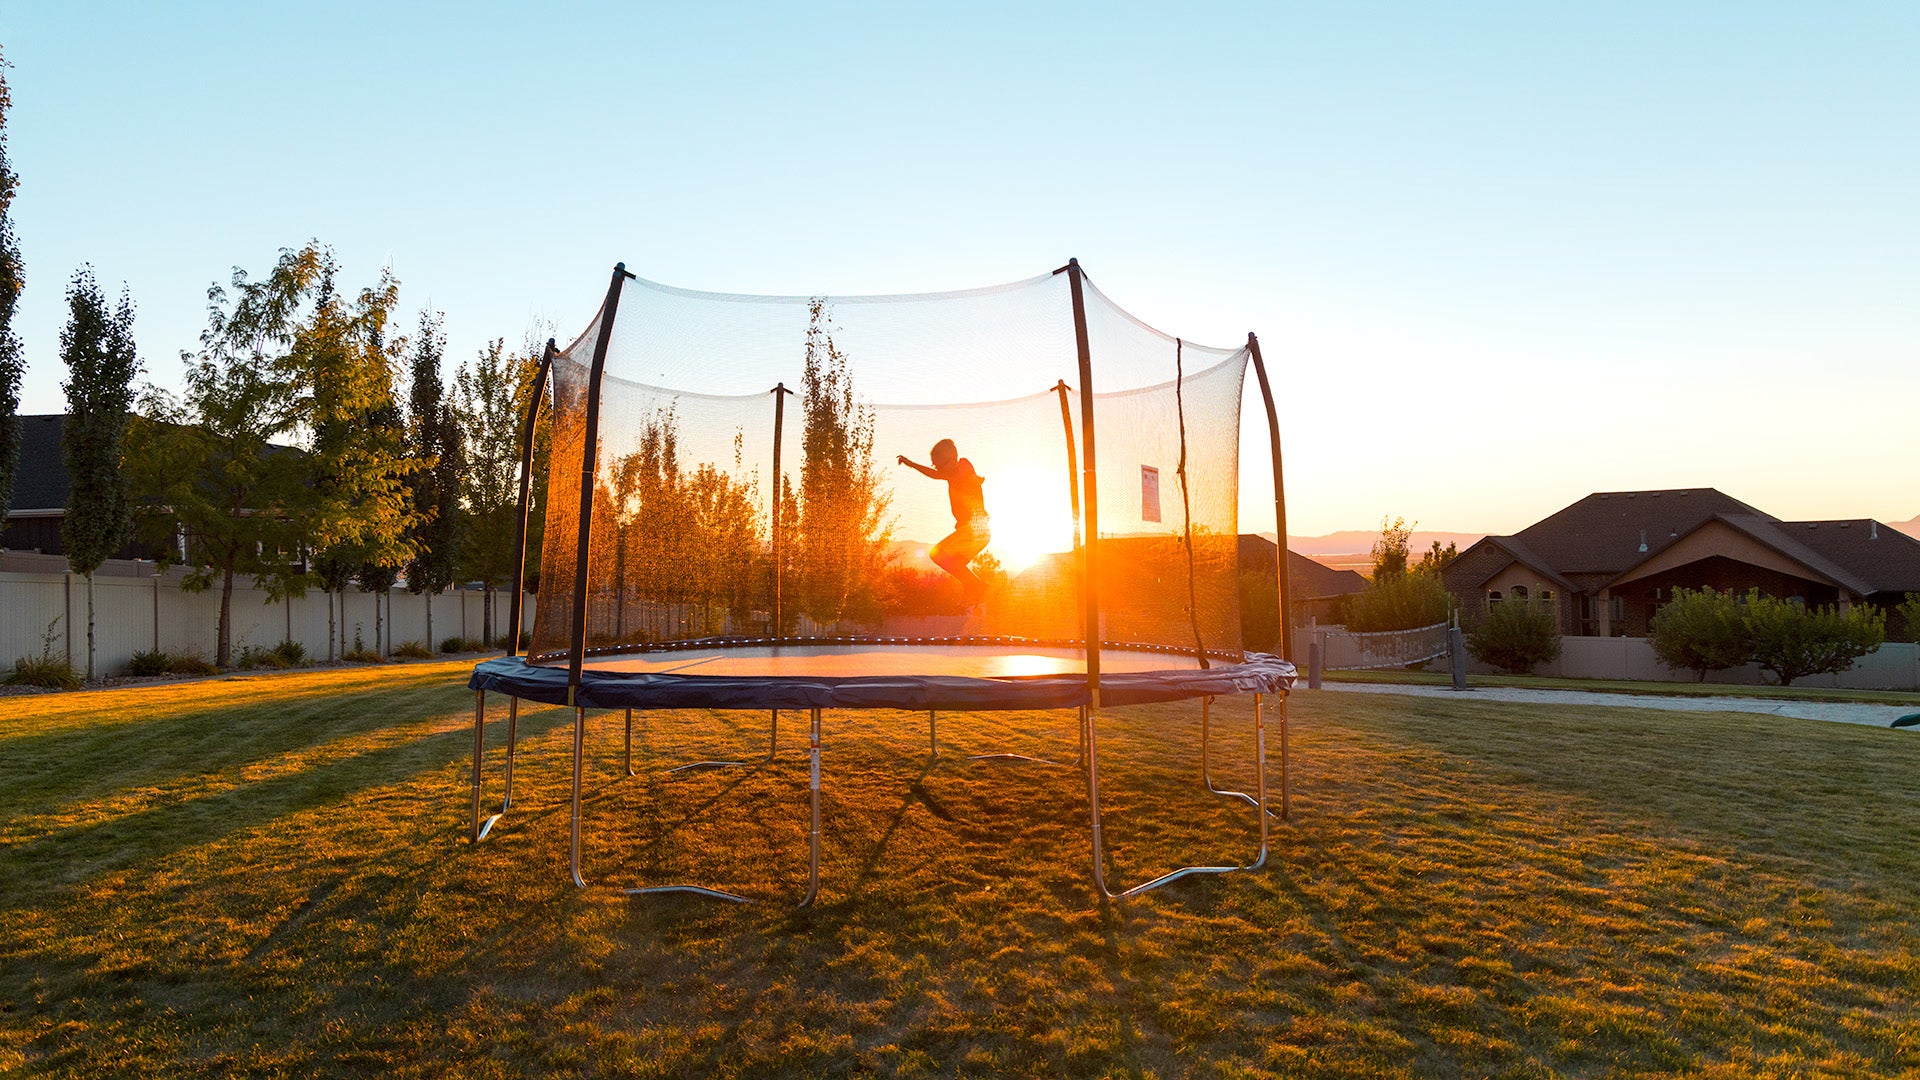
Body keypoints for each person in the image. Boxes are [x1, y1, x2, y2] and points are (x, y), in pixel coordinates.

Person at [898, 439, 990, 607]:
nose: (938, 471)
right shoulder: (952, 472)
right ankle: (974, 587)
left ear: (952, 459)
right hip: (971, 531)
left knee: (939, 555)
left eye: (940, 466)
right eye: (936, 467)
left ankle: (976, 585)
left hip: (975, 530)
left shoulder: (963, 468)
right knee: (945, 559)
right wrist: (911, 464)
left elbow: (969, 478)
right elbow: (934, 474)